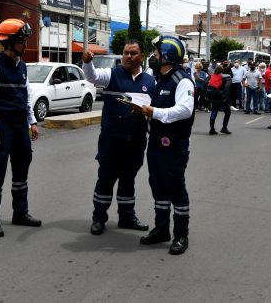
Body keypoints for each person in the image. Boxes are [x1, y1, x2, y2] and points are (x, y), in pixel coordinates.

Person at [82, 40, 155, 236]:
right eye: (125, 53)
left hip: (136, 140)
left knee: (128, 179)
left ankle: (127, 216)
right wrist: (87, 62)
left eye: (133, 53)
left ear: (142, 56)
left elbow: (155, 109)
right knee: (106, 178)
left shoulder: (150, 81)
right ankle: (98, 218)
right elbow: (92, 77)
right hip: (112, 139)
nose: (128, 56)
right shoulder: (111, 75)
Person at [0, 19, 41, 237]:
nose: (25, 44)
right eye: (22, 41)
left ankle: (20, 213)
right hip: (2, 125)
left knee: (21, 171)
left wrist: (32, 121)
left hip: (19, 125)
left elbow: (25, 97)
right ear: (11, 42)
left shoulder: (22, 66)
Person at [137, 35, 195, 255]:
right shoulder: (160, 79)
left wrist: (155, 112)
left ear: (167, 56)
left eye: (157, 54)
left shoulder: (183, 80)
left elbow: (185, 109)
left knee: (176, 190)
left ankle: (181, 234)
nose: (153, 57)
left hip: (174, 146)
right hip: (156, 144)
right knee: (158, 187)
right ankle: (162, 229)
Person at [207, 65, 232, 135]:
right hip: (219, 95)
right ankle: (224, 128)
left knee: (214, 111)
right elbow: (227, 87)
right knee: (227, 112)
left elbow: (206, 83)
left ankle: (211, 129)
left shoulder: (211, 76)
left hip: (212, 95)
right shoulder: (227, 78)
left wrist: (207, 95)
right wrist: (224, 96)